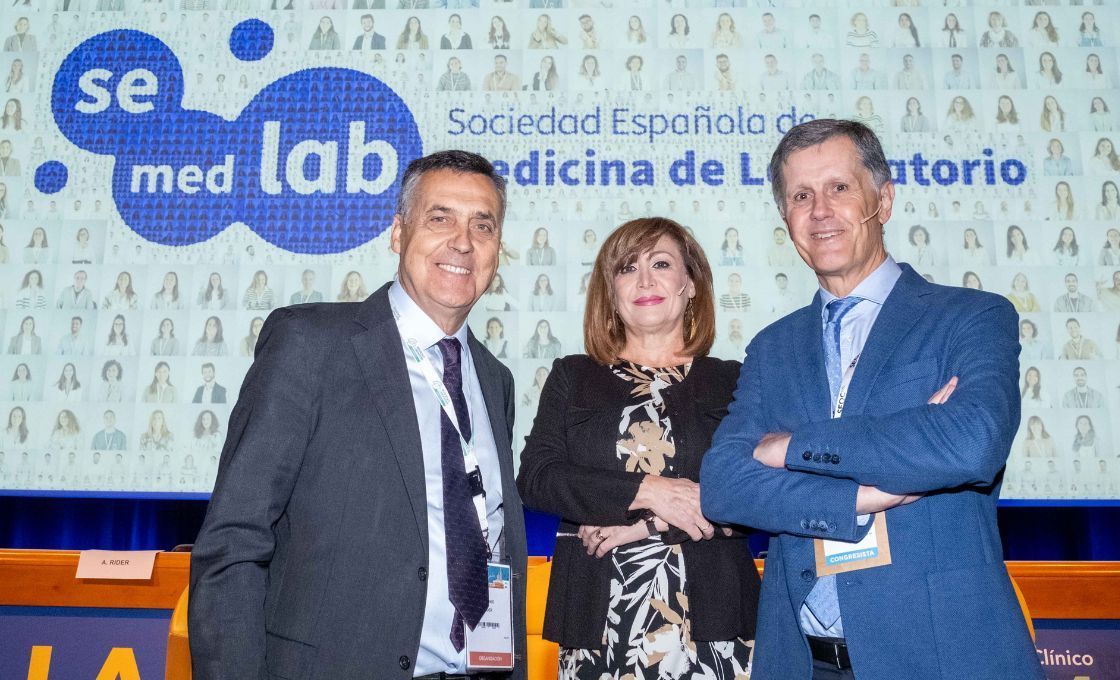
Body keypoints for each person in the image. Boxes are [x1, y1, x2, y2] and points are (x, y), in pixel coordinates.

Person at [700, 120, 1042, 679]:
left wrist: (790, 447)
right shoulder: (771, 346)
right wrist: (865, 496)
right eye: (801, 196)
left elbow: (971, 440)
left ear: (883, 201)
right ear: (786, 220)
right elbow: (724, 485)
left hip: (942, 658)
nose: (819, 211)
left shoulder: (970, 316)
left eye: (839, 187)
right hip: (804, 663)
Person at [190, 151, 527, 678]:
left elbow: (492, 535)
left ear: (497, 250)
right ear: (398, 233)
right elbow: (234, 541)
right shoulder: (310, 344)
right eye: (440, 218)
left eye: (482, 226)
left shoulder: (494, 379)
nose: (463, 241)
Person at [517, 217, 756, 679]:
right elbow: (538, 477)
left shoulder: (732, 381)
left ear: (691, 283)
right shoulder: (572, 376)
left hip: (717, 630)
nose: (644, 280)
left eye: (661, 264)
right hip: (598, 627)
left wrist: (654, 523)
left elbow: (756, 494)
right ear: (611, 292)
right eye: (627, 268)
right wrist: (648, 490)